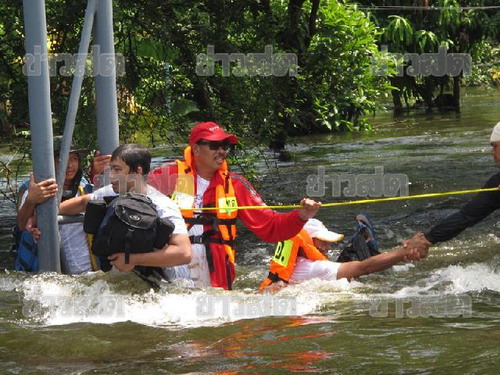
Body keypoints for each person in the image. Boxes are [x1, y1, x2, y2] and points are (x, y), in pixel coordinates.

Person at [147, 122, 321, 290]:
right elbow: (134, 205)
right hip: (171, 269)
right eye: (215, 145)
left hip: (217, 279)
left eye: (224, 145)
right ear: (196, 149)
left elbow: (271, 226)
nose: (221, 151)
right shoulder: (167, 175)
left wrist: (302, 216)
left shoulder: (236, 185)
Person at [59, 144, 191, 273]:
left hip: (165, 285)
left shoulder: (162, 205)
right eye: (110, 169)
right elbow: (83, 202)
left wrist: (132, 260)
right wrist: (42, 216)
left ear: (137, 171)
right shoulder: (111, 192)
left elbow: (184, 253)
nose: (111, 175)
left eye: (117, 169)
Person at [405, 121, 500, 259]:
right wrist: (427, 239)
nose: (492, 152)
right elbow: (466, 216)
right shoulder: (496, 183)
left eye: (495, 146)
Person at [15, 136, 111, 274]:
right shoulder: (36, 188)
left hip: (88, 272)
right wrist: (31, 200)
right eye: (61, 159)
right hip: (48, 273)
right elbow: (22, 225)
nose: (69, 165)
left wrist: (99, 173)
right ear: (49, 162)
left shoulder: (85, 188)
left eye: (74, 158)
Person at [259, 217, 419, 291]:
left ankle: (363, 240)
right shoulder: (313, 268)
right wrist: (402, 252)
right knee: (359, 262)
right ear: (308, 241)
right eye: (323, 242)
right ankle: (364, 242)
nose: (327, 247)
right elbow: (364, 268)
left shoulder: (289, 265)